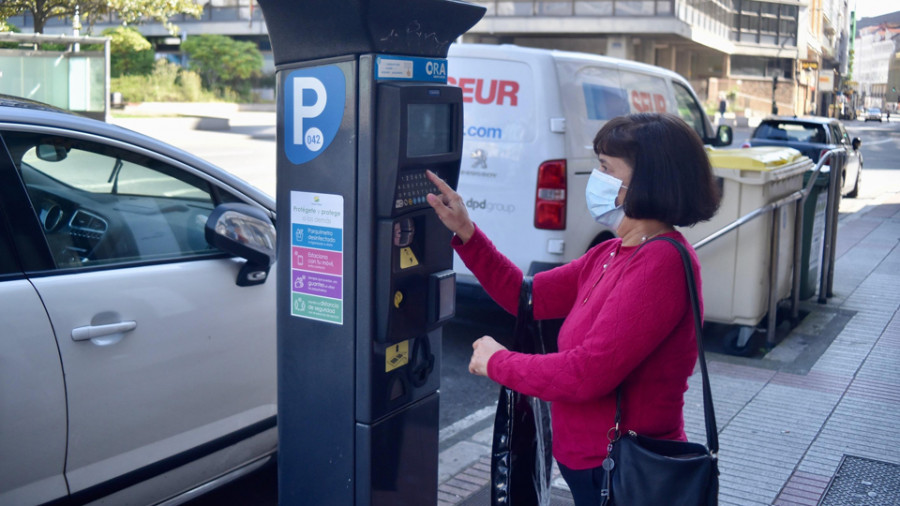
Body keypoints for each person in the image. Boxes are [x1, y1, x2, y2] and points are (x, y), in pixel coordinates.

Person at [425, 112, 721, 505]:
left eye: (604, 168)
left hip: (626, 472)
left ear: (644, 181)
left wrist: (500, 363)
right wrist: (466, 230)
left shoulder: (660, 265)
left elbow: (586, 373)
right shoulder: (612, 251)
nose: (595, 178)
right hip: (596, 466)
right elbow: (524, 295)